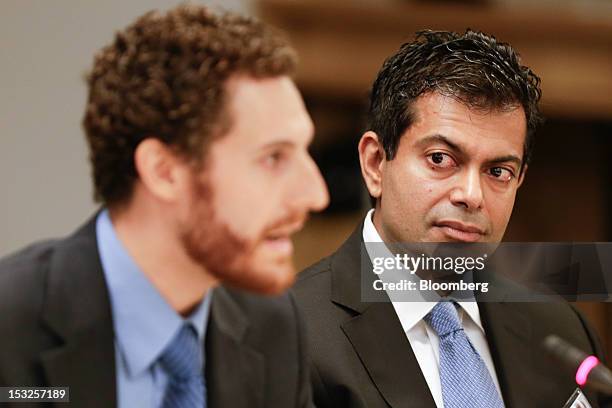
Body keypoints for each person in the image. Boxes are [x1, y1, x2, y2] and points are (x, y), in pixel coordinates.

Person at [0, 5, 328, 408]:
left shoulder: (273, 327)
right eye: (273, 158)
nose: (316, 195)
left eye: (304, 152)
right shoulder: (9, 331)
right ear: (164, 171)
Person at [293, 30, 610, 408]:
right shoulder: (288, 334)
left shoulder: (562, 332)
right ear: (375, 163)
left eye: (498, 171)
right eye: (441, 159)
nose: (471, 195)